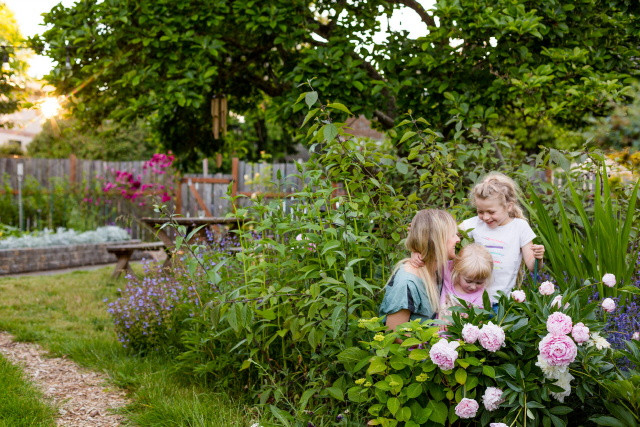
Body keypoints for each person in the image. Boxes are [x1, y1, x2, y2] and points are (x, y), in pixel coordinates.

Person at [460, 172, 545, 305]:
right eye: (480, 212)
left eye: (491, 212)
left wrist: (538, 258)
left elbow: (532, 266)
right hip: (473, 299)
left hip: (502, 302)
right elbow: (448, 235)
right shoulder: (475, 224)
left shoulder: (520, 227)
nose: (486, 217)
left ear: (508, 206)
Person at [379, 209, 460, 330]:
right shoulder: (407, 282)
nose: (458, 239)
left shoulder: (440, 268)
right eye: (453, 235)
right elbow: (395, 333)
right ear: (438, 240)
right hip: (416, 347)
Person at [439, 243, 493, 320]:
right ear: (457, 271)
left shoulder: (482, 298)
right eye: (468, 281)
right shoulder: (449, 273)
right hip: (437, 327)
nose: (473, 286)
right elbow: (432, 261)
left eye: (479, 283)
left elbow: (478, 319)